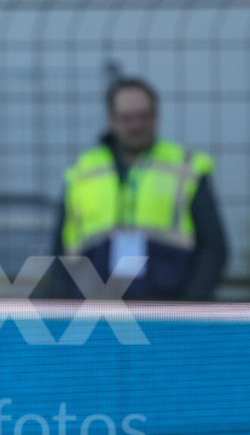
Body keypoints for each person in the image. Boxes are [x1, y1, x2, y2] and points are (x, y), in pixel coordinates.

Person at [49, 78, 228, 301]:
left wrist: (189, 306)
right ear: (111, 120)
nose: (136, 126)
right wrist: (67, 306)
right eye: (126, 118)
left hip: (166, 308)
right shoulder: (83, 171)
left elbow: (213, 248)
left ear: (156, 116)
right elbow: (60, 250)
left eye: (143, 117)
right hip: (95, 308)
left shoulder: (186, 168)